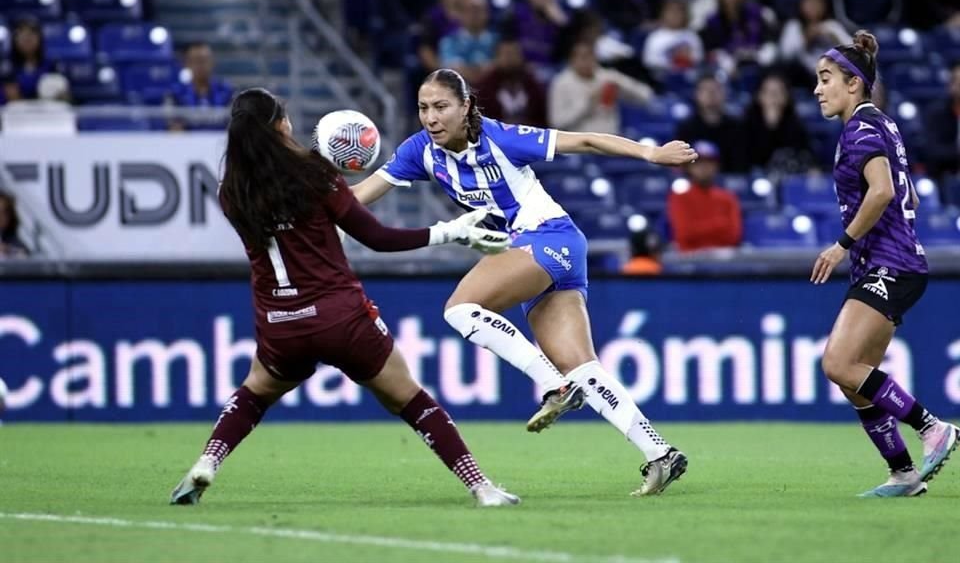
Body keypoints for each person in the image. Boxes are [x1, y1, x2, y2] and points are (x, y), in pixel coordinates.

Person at [351, 69, 698, 496]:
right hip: (547, 251)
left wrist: (651, 154)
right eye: (423, 108)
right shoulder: (418, 152)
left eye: (441, 107)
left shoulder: (501, 138)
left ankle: (553, 385)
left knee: (461, 309)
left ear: (466, 107)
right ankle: (659, 454)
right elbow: (355, 201)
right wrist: (305, 205)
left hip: (550, 238)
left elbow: (584, 141)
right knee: (583, 367)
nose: (430, 118)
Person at [170, 88, 519, 508]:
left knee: (255, 392)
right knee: (411, 399)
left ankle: (208, 461)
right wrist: (451, 232)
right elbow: (377, 238)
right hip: (341, 317)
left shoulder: (233, 191)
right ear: (280, 125)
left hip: (280, 322)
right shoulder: (317, 176)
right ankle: (482, 487)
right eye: (286, 116)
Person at [810, 32, 959, 497]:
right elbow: (908, 191)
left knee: (837, 362)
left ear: (854, 84)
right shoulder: (883, 124)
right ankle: (903, 473)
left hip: (888, 264)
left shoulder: (859, 130)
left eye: (826, 78)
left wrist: (841, 244)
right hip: (897, 262)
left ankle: (933, 427)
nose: (818, 89)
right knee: (858, 378)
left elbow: (884, 191)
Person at [548, 40, 653, 134]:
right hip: (579, 145)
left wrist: (623, 87)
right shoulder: (560, 83)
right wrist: (587, 104)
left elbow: (647, 95)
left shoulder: (608, 77)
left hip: (611, 140)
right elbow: (557, 123)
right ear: (572, 60)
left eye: (591, 56)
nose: (588, 62)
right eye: (583, 58)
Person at [666, 140, 742, 252]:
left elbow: (734, 236)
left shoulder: (728, 198)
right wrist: (719, 224)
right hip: (689, 261)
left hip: (724, 260)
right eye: (698, 162)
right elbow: (684, 235)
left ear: (717, 166)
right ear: (689, 167)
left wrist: (698, 228)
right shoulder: (680, 197)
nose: (703, 167)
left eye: (709, 162)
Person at [740, 72, 816, 174]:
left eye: (778, 92)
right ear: (759, 96)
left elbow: (806, 156)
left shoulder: (797, 126)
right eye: (769, 92)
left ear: (787, 97)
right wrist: (770, 126)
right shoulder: (746, 125)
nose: (773, 97)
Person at [920, 61, 960, 178]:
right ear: (951, 85)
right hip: (946, 174)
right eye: (958, 82)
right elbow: (932, 151)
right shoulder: (936, 113)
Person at [1, 18, 56, 102]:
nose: (27, 39)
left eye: (31, 35)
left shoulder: (50, 65)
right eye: (22, 35)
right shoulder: (6, 66)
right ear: (14, 39)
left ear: (40, 39)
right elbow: (13, 98)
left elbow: (62, 96)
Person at [0, 191, 29, 258]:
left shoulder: (12, 238)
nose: (0, 216)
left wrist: (9, 250)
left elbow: (23, 254)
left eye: (5, 212)